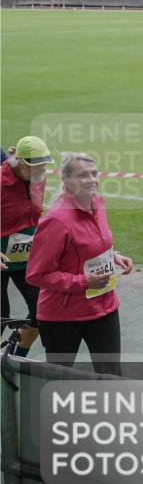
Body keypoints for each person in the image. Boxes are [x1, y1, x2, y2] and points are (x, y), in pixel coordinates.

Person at [26, 153, 133, 375]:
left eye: (94, 173)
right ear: (66, 181)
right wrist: (84, 282)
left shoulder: (98, 205)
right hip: (63, 315)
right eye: (83, 175)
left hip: (104, 306)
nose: (92, 179)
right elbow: (37, 274)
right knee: (59, 379)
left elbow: (92, 243)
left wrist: (113, 255)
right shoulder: (56, 220)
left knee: (112, 375)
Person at [1, 136, 54, 357]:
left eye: (43, 165)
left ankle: (15, 357)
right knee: (1, 315)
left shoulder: (38, 177)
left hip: (26, 256)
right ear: (21, 162)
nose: (40, 171)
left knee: (42, 311)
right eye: (35, 166)